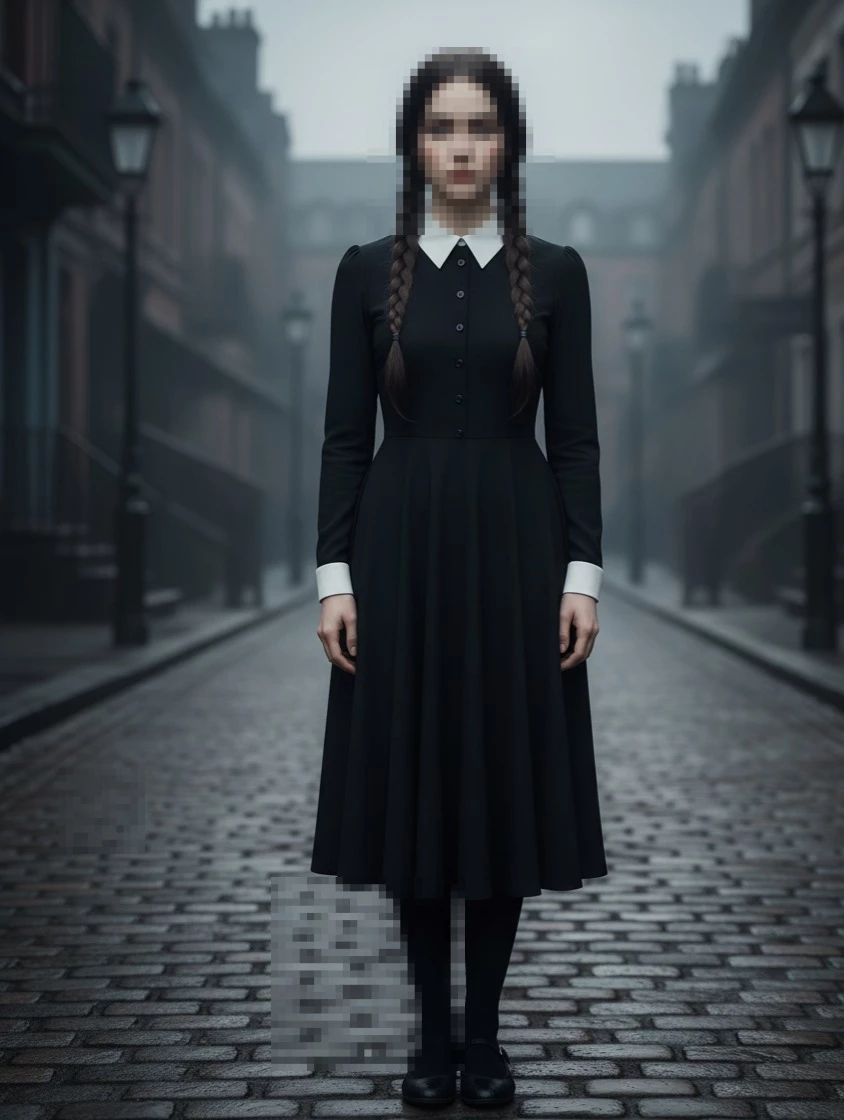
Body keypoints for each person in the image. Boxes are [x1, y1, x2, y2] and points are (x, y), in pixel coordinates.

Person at [310, 47, 608, 1108]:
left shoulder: (559, 273)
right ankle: (429, 1038)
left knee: (499, 789)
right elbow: (344, 440)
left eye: (480, 126)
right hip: (398, 559)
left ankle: (485, 1040)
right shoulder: (361, 272)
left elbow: (575, 441)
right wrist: (332, 575)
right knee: (417, 797)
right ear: (414, 145)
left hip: (519, 558)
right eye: (441, 128)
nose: (462, 146)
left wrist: (582, 572)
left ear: (508, 142)